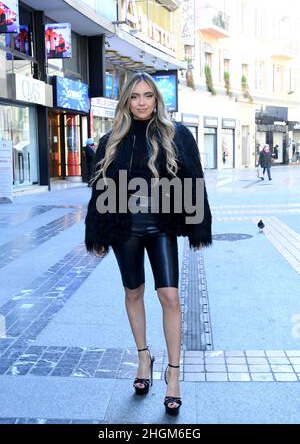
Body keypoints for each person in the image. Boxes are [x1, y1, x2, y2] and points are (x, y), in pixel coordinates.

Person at [85, 72, 212, 415]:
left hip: (162, 225)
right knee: (133, 292)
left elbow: (194, 179)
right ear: (126, 101)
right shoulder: (111, 140)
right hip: (123, 225)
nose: (142, 102)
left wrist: (199, 228)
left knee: (169, 296)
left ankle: (173, 375)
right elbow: (99, 188)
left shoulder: (176, 135)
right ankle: (144, 358)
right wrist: (95, 232)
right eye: (135, 96)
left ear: (157, 100)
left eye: (148, 96)